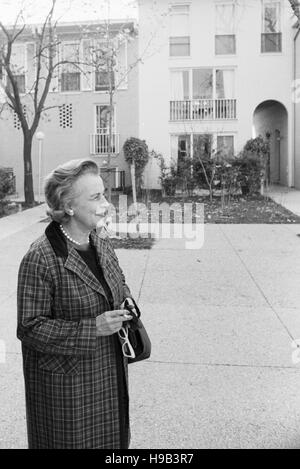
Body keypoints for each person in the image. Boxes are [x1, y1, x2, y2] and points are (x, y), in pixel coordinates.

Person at [17, 159, 135, 449]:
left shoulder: (100, 239)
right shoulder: (40, 258)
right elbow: (29, 328)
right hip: (67, 392)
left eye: (104, 194)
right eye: (96, 197)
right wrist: (92, 328)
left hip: (108, 376)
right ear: (68, 206)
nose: (106, 203)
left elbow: (117, 281)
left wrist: (127, 302)